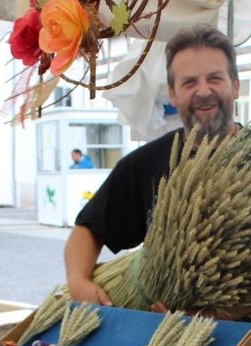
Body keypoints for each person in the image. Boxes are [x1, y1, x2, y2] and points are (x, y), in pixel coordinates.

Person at [65, 24, 241, 306]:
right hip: (164, 337)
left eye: (215, 78)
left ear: (235, 86)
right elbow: (88, 229)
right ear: (173, 94)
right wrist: (78, 281)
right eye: (189, 82)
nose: (203, 91)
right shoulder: (145, 163)